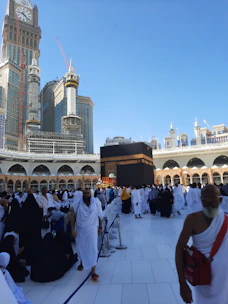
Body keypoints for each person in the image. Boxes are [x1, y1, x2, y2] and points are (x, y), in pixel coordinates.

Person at [175, 184, 228, 304]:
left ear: (220, 199)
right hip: (202, 275)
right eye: (204, 198)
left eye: (212, 198)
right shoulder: (192, 220)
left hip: (225, 279)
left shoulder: (225, 221)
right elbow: (179, 248)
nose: (208, 202)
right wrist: (182, 283)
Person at [70, 189, 103, 281]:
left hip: (92, 229)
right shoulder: (76, 204)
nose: (85, 194)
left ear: (90, 194)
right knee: (81, 247)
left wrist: (100, 227)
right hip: (80, 229)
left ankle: (93, 271)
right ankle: (81, 262)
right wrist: (72, 229)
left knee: (92, 248)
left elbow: (100, 215)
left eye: (87, 193)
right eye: (84, 193)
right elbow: (72, 217)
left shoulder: (96, 202)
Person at [20, 194, 42, 265]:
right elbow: (40, 216)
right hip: (35, 230)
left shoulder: (24, 208)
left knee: (28, 245)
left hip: (27, 231)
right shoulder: (36, 208)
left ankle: (28, 260)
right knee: (35, 245)